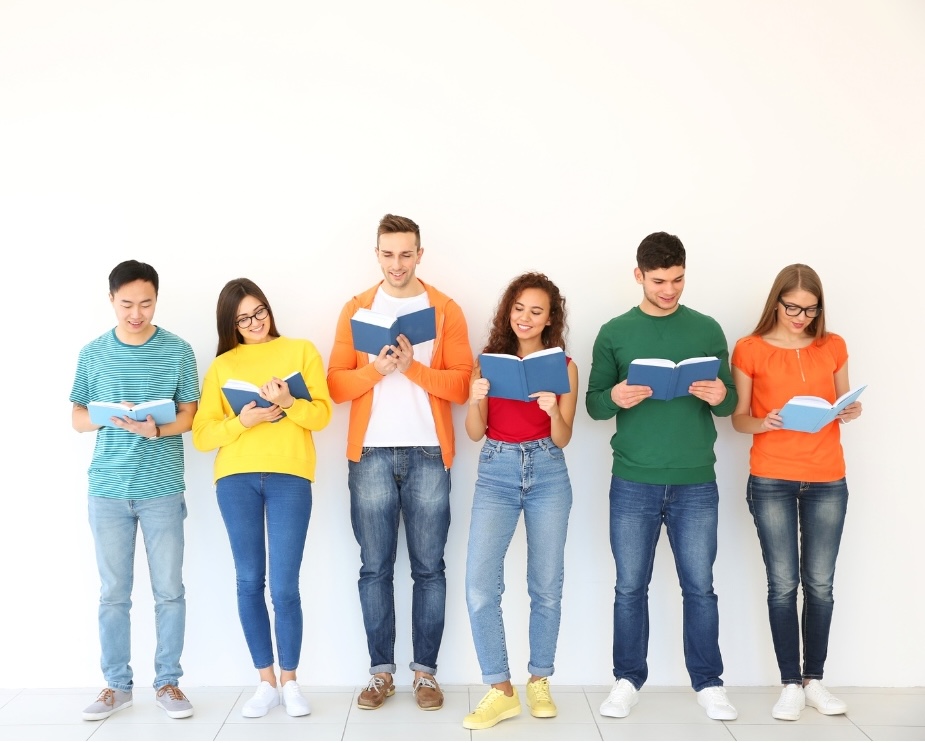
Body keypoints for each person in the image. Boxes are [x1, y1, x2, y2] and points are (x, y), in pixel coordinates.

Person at [585, 232, 739, 721]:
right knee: (630, 586)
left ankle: (709, 683)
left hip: (696, 479)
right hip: (634, 479)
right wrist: (617, 397)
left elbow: (732, 402)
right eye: (659, 281)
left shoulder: (708, 329)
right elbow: (592, 404)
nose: (669, 290)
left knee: (700, 586)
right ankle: (627, 680)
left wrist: (720, 396)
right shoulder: (614, 332)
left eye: (677, 280)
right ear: (638, 276)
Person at [327, 214, 472, 711]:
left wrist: (412, 368)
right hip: (369, 454)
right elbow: (336, 386)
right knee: (375, 568)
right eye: (388, 254)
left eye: (406, 254)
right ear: (377, 254)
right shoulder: (357, 308)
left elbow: (459, 387)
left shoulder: (445, 309)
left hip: (430, 452)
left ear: (420, 254)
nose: (397, 264)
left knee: (430, 568)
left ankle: (426, 675)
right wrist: (376, 369)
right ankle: (380, 673)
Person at [192, 278, 332, 718]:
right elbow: (201, 436)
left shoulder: (301, 351)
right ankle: (265, 681)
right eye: (243, 319)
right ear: (230, 324)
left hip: (291, 474)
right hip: (235, 477)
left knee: (285, 584)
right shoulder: (221, 367)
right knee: (249, 580)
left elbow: (322, 415)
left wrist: (289, 401)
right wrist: (243, 422)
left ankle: (291, 683)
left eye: (259, 312)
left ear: (269, 309)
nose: (254, 323)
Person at [730, 264, 861, 721]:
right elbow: (738, 418)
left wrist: (850, 410)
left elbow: (843, 402)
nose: (801, 316)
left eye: (810, 309)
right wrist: (762, 422)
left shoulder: (834, 345)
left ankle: (815, 680)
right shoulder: (749, 348)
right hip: (771, 478)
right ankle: (790, 682)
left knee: (820, 585)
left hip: (827, 477)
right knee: (783, 584)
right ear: (776, 303)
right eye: (792, 308)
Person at [70, 260, 199, 721]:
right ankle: (115, 686)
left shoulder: (178, 351)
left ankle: (168, 683)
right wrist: (109, 416)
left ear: (156, 300)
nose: (136, 313)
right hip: (106, 489)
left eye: (145, 303)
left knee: (169, 591)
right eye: (127, 304)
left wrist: (156, 431)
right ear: (111, 300)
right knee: (113, 594)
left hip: (161, 487)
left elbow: (189, 416)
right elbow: (78, 418)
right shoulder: (93, 353)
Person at [461, 273, 579, 731]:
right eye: (519, 308)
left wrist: (552, 410)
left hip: (548, 469)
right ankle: (500, 690)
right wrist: (475, 400)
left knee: (546, 584)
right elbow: (475, 433)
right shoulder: (486, 362)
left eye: (537, 311)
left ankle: (539, 680)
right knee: (479, 585)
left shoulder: (564, 366)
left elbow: (565, 438)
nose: (526, 318)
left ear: (551, 318)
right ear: (507, 312)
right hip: (496, 470)